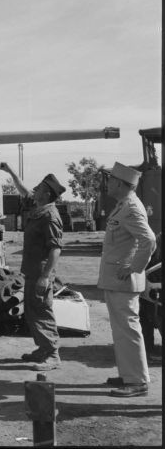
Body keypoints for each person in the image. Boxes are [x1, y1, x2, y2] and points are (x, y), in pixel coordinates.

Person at [97, 162, 156, 397]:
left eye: (111, 180)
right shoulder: (122, 205)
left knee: (128, 330)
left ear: (121, 184)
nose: (108, 184)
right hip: (116, 279)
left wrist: (135, 268)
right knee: (121, 330)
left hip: (123, 280)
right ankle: (127, 374)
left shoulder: (131, 207)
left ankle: (137, 381)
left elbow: (149, 240)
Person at [0, 162, 66, 371]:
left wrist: (46, 277)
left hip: (41, 273)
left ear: (46, 194)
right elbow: (23, 189)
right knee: (32, 311)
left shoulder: (49, 216)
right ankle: (43, 349)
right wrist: (10, 171)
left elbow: (56, 249)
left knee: (41, 311)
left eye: (39, 188)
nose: (34, 190)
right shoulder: (39, 208)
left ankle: (52, 354)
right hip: (32, 271)